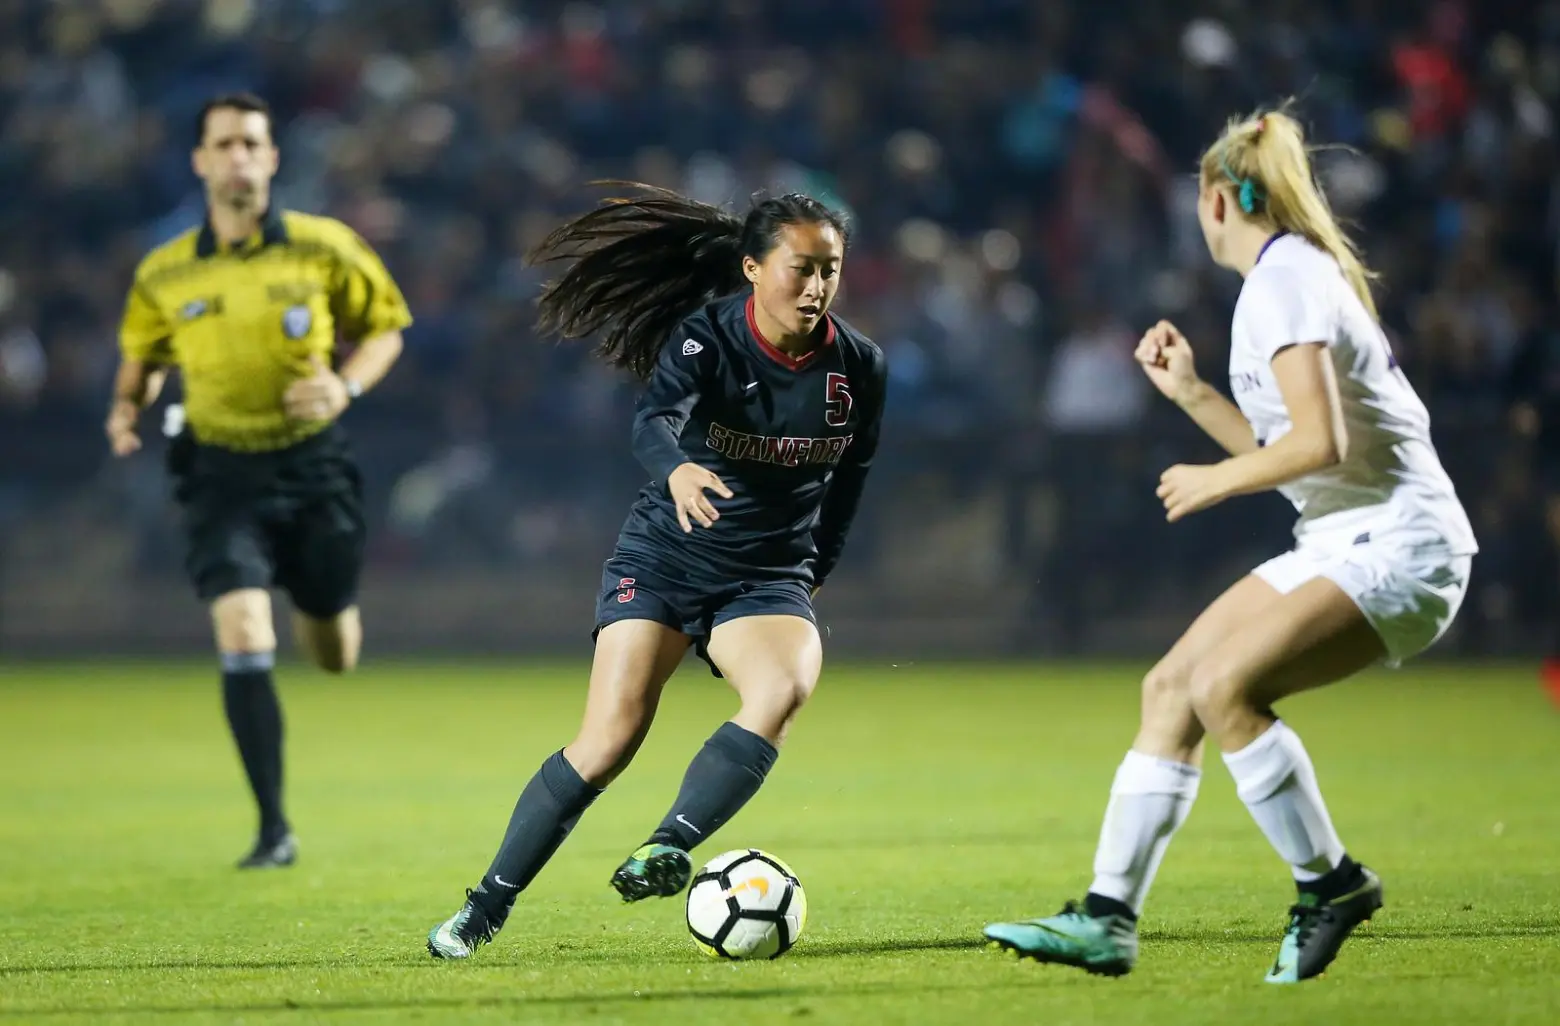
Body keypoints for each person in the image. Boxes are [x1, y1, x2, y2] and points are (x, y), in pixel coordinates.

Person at [983, 109, 1477, 984]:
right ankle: (1106, 918)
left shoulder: (1284, 280)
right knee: (1171, 687)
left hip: (1403, 542)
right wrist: (1192, 392)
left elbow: (1316, 442)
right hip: (1342, 532)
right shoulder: (1282, 278)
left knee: (1222, 687)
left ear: (1215, 201)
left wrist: (1211, 482)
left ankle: (1333, 884)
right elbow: (1286, 446)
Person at [426, 183, 886, 959]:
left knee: (783, 688)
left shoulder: (860, 367)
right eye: (799, 268)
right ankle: (483, 909)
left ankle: (668, 844)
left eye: (829, 270)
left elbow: (852, 480)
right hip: (667, 555)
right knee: (609, 739)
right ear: (751, 268)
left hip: (767, 576)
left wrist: (812, 574)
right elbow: (654, 421)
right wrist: (675, 471)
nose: (815, 287)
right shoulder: (708, 338)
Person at [107, 93, 412, 869]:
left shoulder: (323, 247)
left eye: (252, 143)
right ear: (201, 162)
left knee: (334, 646)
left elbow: (385, 330)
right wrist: (125, 408)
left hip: (312, 465)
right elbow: (144, 358)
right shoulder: (166, 270)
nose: (239, 157)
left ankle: (327, 607)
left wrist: (344, 387)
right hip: (218, 472)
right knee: (244, 632)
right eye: (225, 144)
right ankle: (274, 829)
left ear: (272, 159)